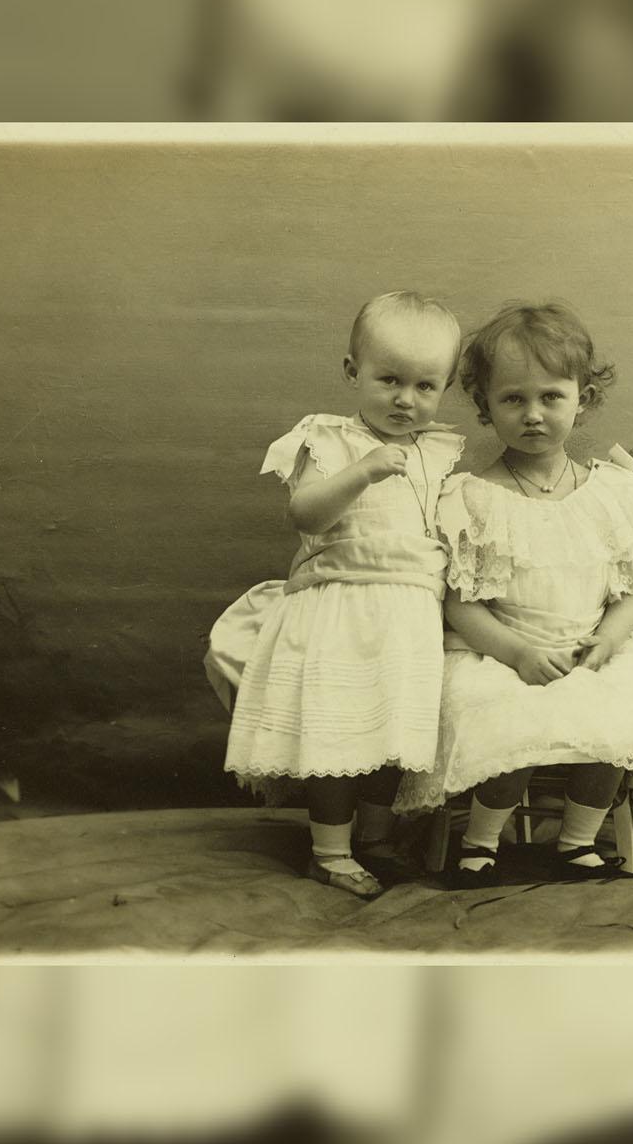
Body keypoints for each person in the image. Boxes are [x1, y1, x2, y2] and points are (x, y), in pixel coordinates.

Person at [394, 302, 633, 886]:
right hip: (504, 654)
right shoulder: (473, 498)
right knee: (509, 729)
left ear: (584, 399)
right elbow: (461, 604)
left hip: (590, 651)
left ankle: (576, 842)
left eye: (551, 397)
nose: (533, 415)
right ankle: (481, 842)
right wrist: (518, 654)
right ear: (486, 408)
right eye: (513, 399)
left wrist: (608, 639)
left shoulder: (614, 496)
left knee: (611, 726)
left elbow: (631, 588)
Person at [204, 291, 465, 898]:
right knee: (340, 733)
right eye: (390, 380)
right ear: (353, 372)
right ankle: (330, 850)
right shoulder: (327, 439)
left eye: (427, 386)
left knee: (393, 740)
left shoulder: (442, 451)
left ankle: (373, 841)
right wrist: (364, 471)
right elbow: (307, 515)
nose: (407, 399)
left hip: (410, 614)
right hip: (341, 604)